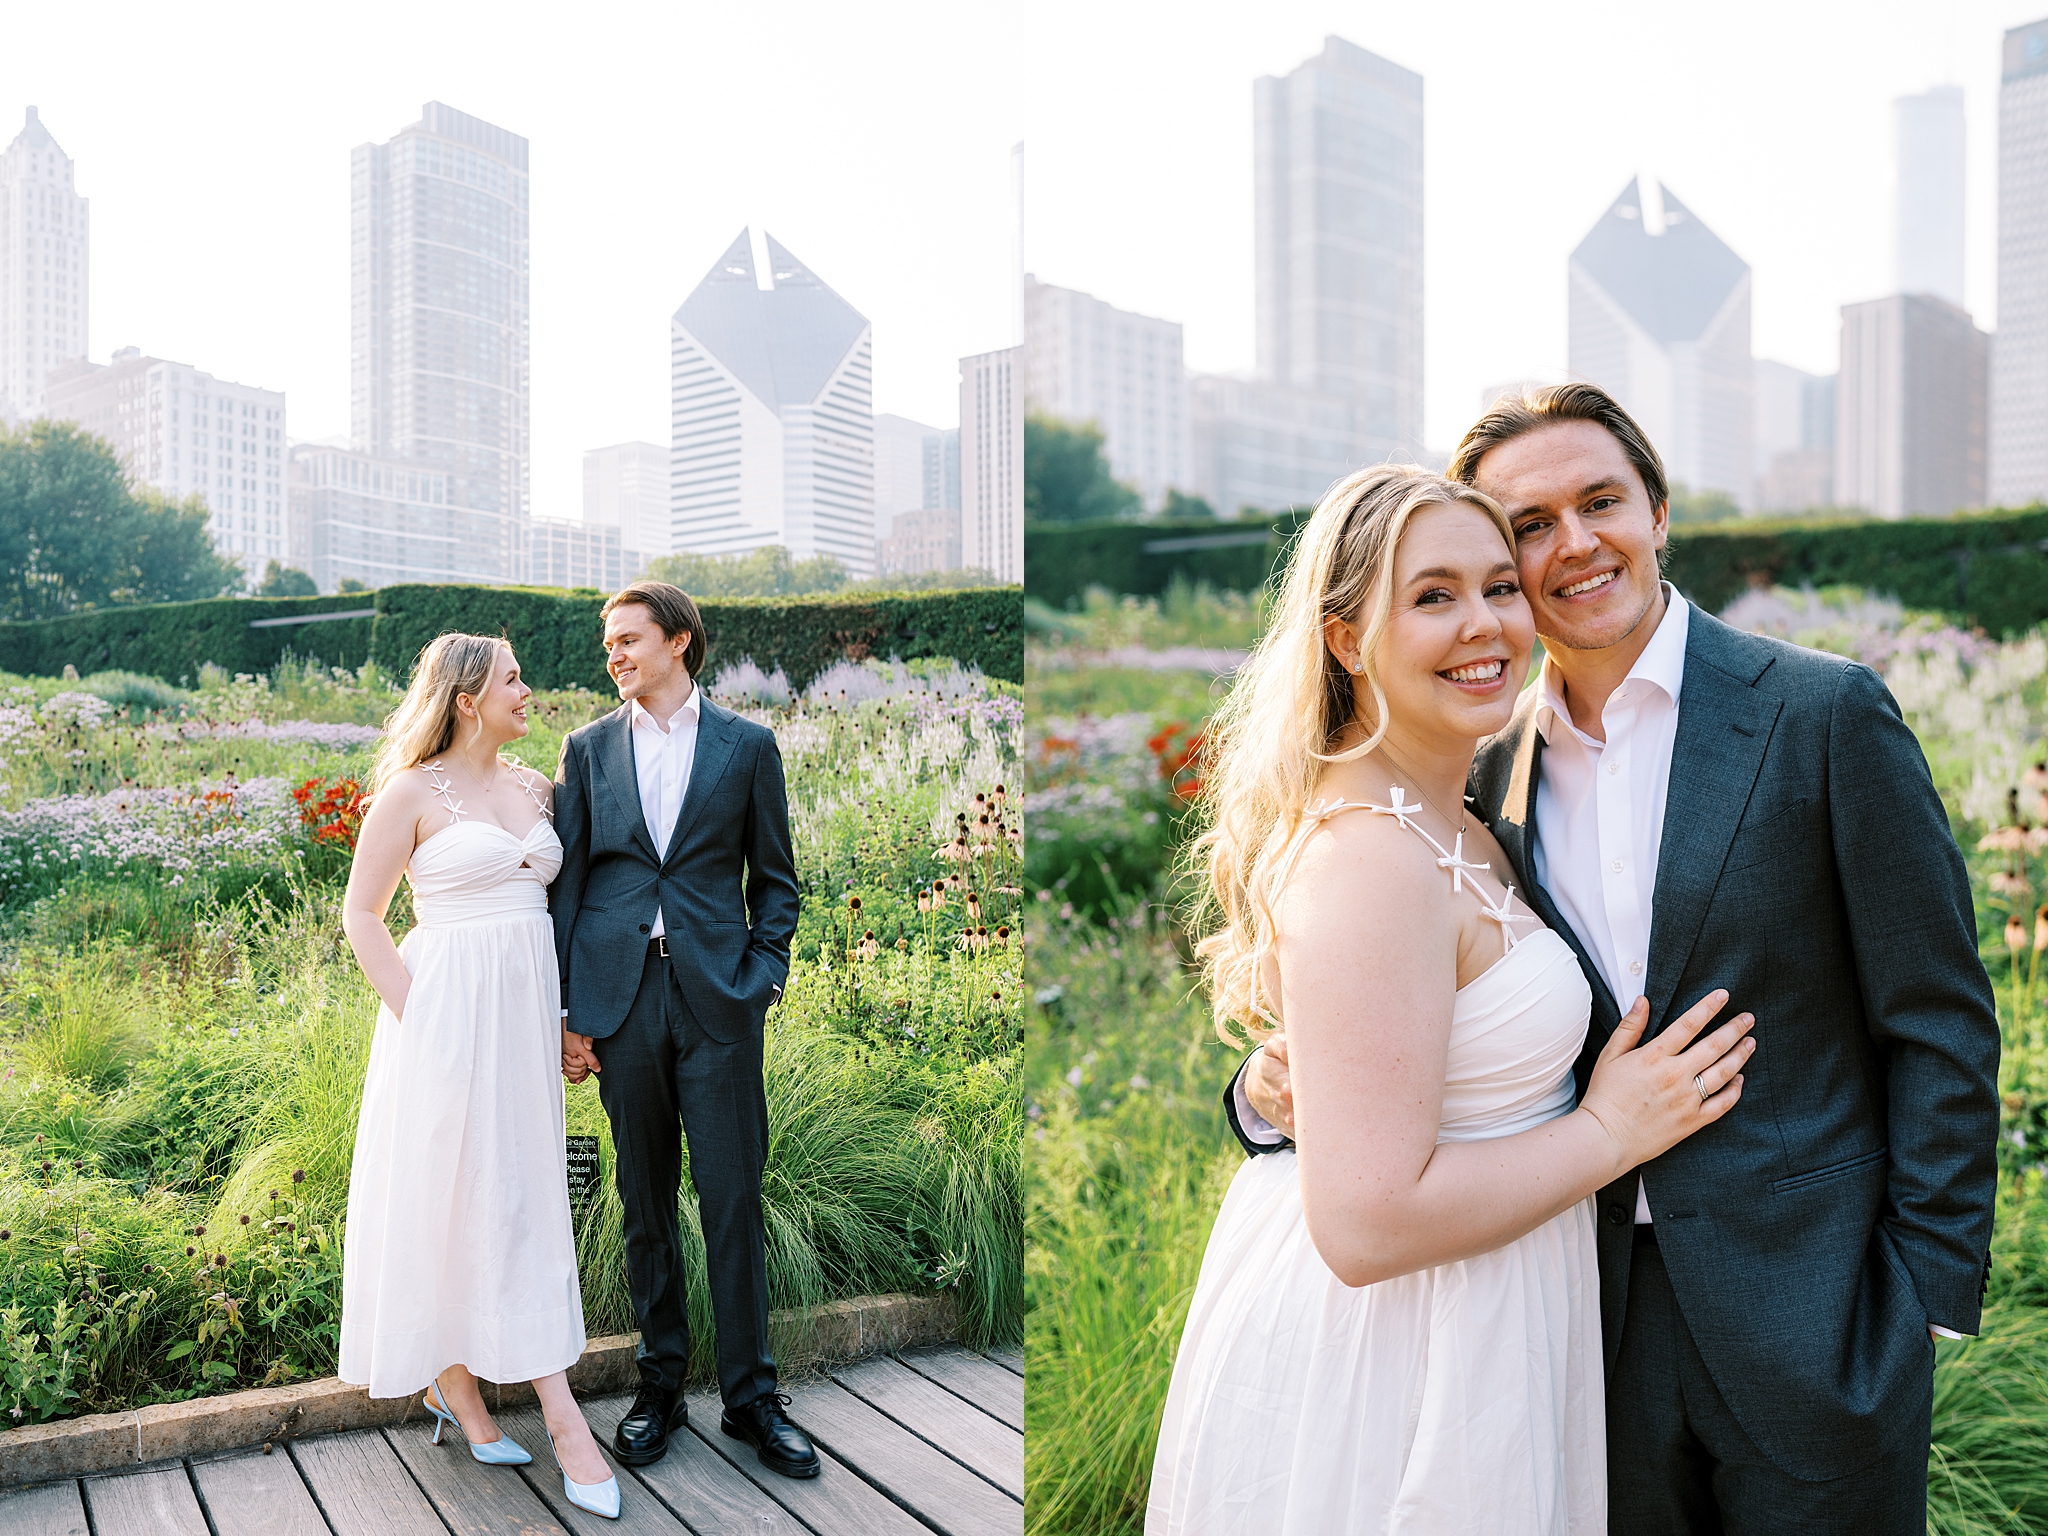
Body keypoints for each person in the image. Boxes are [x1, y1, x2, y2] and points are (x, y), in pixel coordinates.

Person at [1231, 384, 2003, 1533]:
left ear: (1656, 512)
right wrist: (1260, 1090)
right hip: (1577, 1332)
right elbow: (1397, 1010)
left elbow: (1936, 1018)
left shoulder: (1820, 714)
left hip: (1818, 1321)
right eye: (1529, 526)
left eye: (1599, 502)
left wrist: (1918, 1302)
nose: (1574, 543)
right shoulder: (1475, 764)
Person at [1146, 464, 1757, 1534]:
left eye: (1498, 587)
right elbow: (1364, 1223)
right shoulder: (1370, 857)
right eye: (1432, 595)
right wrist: (1610, 1132)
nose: (1483, 624)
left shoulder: (1462, 812)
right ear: (1345, 639)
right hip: (1395, 1347)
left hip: (1493, 1307)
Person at [339, 633, 619, 1521]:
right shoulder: (410, 793)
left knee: (519, 1195)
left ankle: (466, 1384)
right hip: (444, 1019)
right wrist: (420, 1019)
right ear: (466, 699)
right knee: (455, 1195)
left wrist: (570, 1018)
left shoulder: (538, 788)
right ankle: (538, 1411)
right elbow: (362, 915)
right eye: (512, 679)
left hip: (525, 1018)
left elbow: (569, 906)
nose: (528, 691)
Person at [550, 581, 818, 1479]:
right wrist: (568, 1014)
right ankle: (658, 1385)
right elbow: (569, 887)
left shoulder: (748, 747)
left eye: (629, 639)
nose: (615, 655)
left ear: (679, 642)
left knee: (733, 1197)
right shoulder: (587, 749)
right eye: (609, 643)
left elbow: (775, 881)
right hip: (622, 1003)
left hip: (719, 1001)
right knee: (645, 1200)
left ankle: (751, 1398)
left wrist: (763, 977)